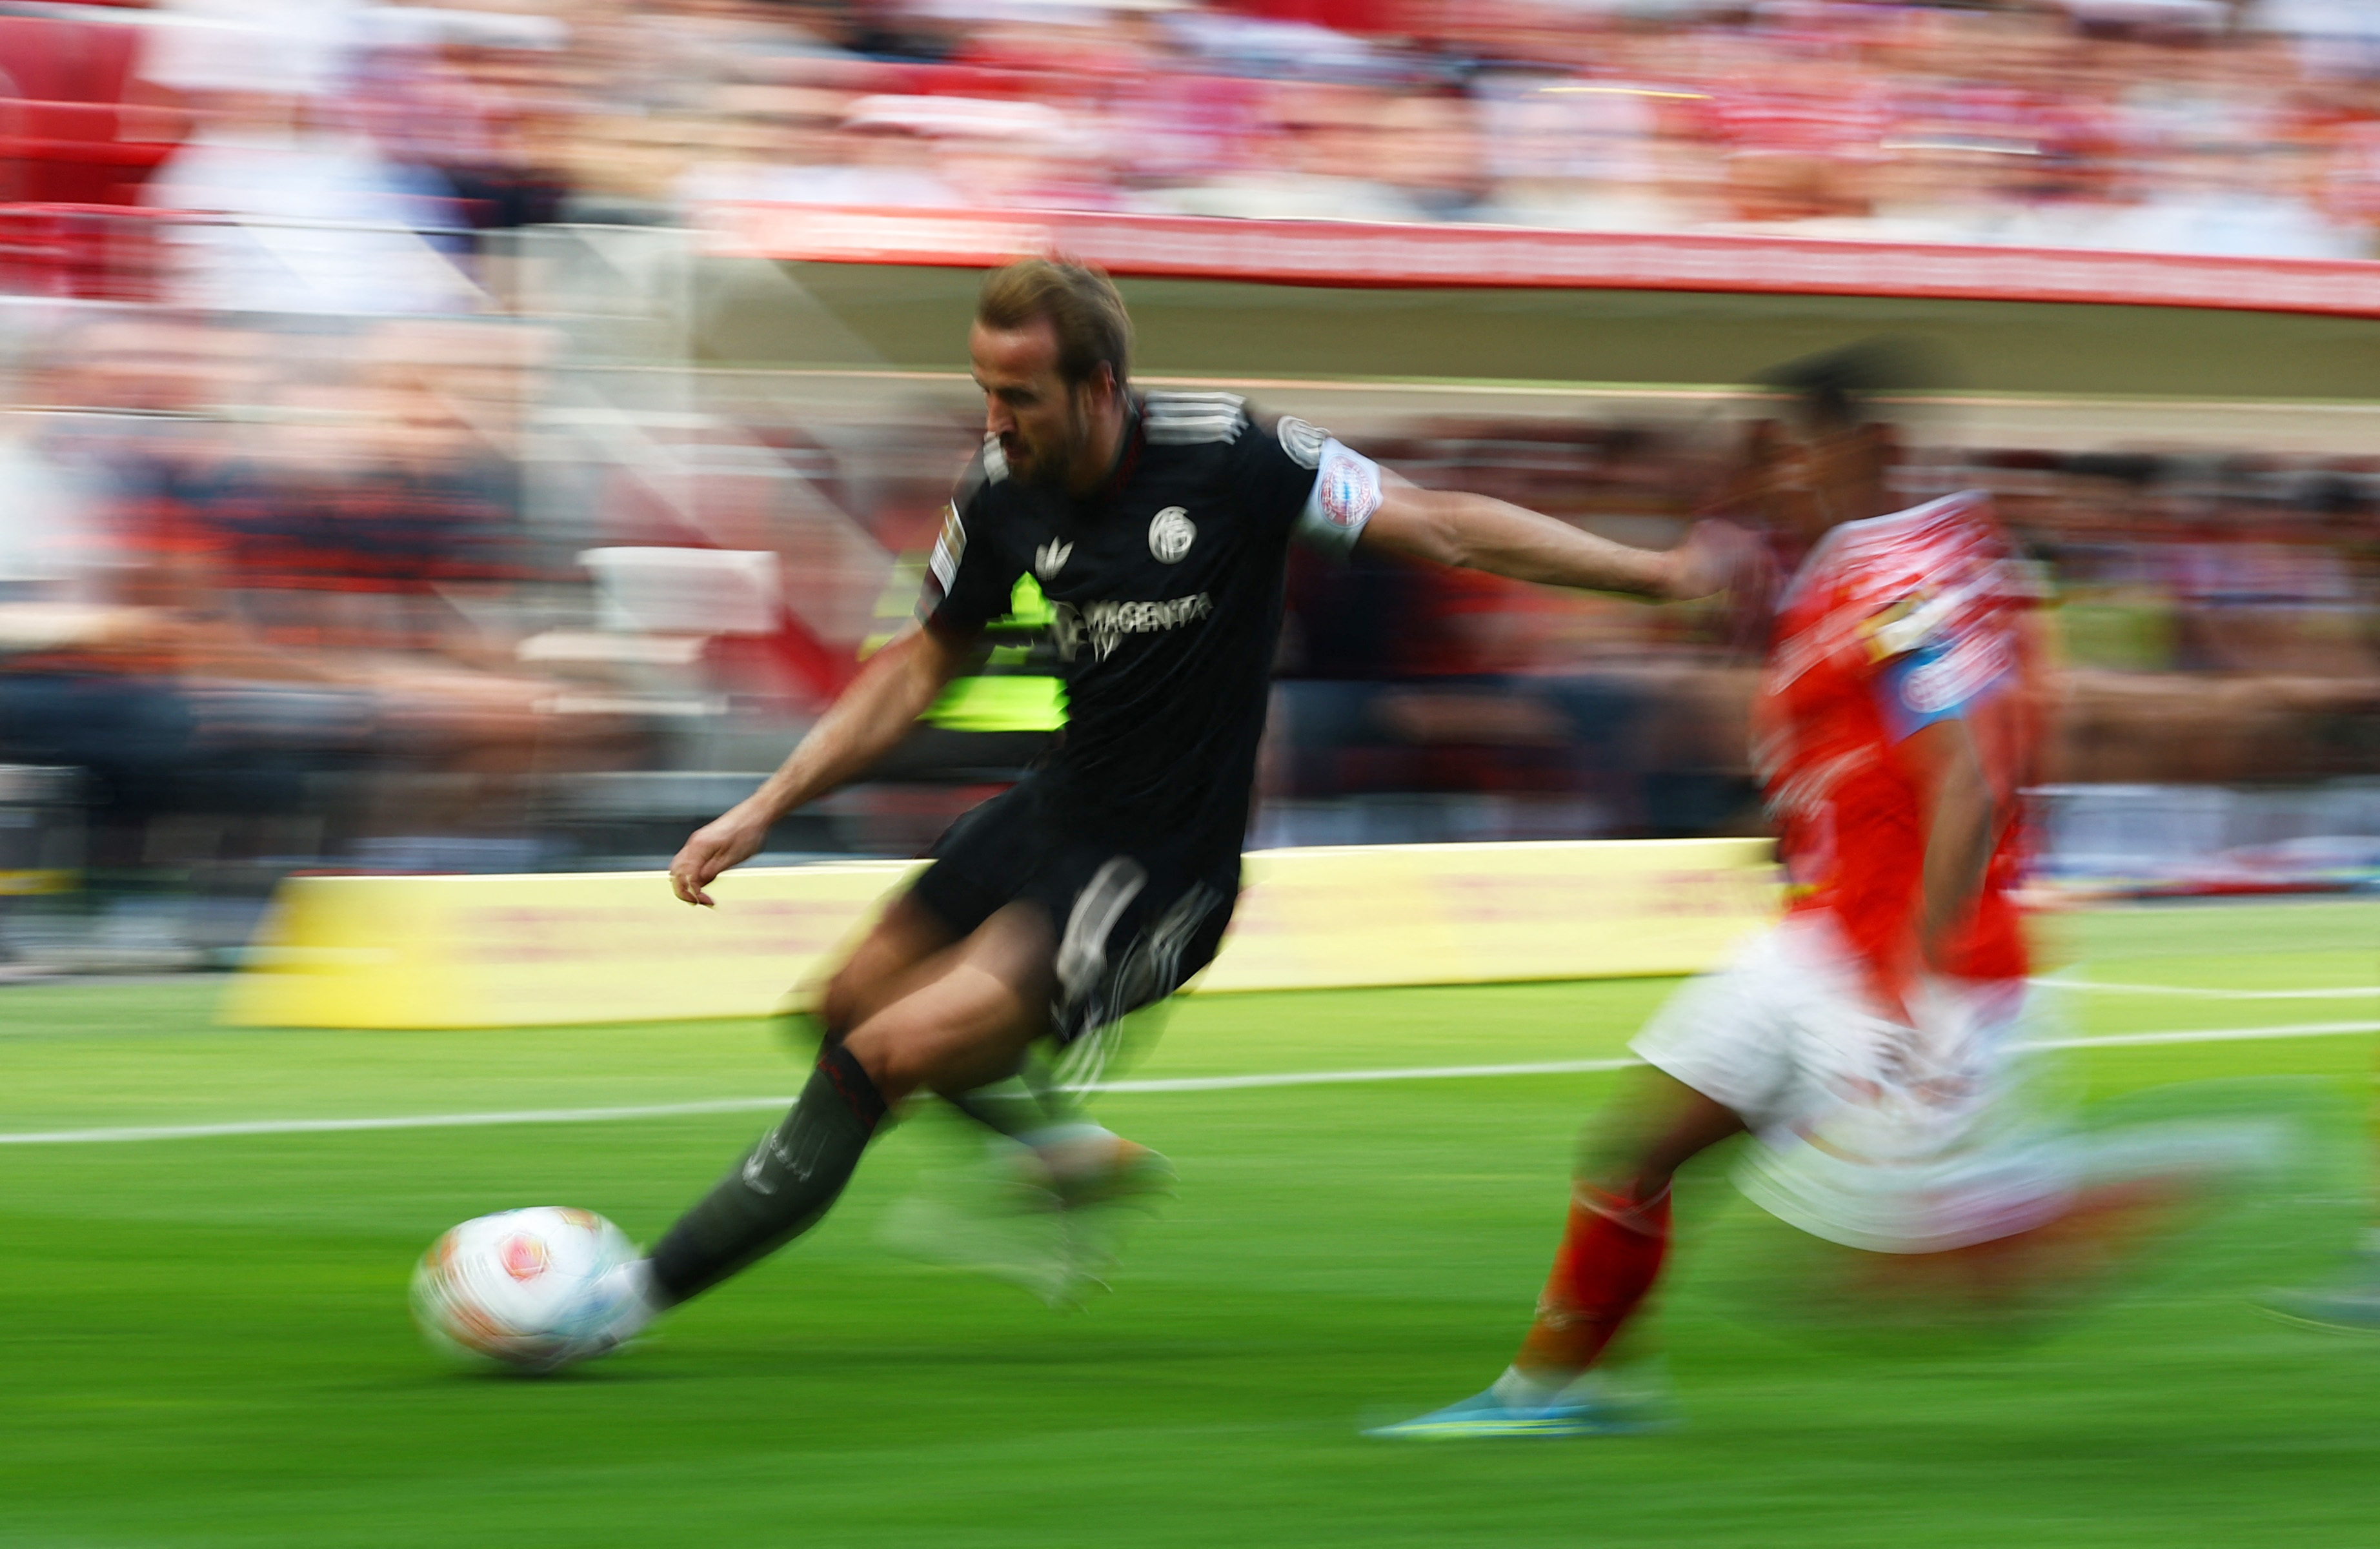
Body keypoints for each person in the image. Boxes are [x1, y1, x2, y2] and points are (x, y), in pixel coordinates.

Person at [554, 256, 1747, 1364]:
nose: (994, 421)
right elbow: (922, 666)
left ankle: (621, 1301)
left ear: (1102, 389)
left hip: (1157, 866)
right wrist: (764, 805)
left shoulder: (1237, 455)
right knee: (841, 1003)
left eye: (1019, 394)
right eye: (984, 391)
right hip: (1057, 805)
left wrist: (1658, 578)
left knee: (884, 1058)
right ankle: (1061, 1148)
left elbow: (1438, 525)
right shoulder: (1000, 489)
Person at [1372, 345, 2066, 1439]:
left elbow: (1967, 786)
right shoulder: (1839, 580)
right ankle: (1558, 1392)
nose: (1774, 480)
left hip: (1891, 960)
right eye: (1764, 460)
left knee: (1901, 1263)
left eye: (1790, 454)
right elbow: (1858, 765)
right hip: (1818, 937)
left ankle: (2112, 1191)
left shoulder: (1899, 581)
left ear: (1868, 448)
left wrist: (1922, 982)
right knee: (1640, 1150)